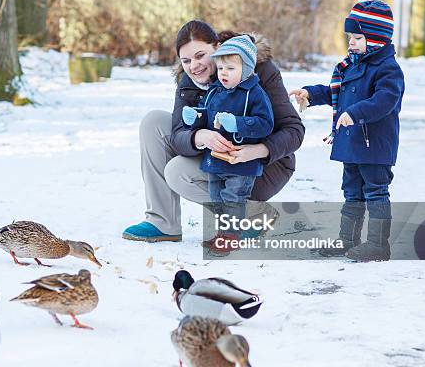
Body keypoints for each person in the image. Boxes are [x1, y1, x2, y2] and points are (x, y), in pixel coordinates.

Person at [123, 20, 304, 243]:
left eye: (200, 56)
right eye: (186, 60)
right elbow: (179, 133)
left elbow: (294, 130)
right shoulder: (189, 80)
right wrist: (199, 136)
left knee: (178, 172)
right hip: (218, 159)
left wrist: (257, 150)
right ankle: (163, 222)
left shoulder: (258, 70)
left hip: (263, 166)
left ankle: (249, 215)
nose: (194, 66)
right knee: (153, 122)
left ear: (217, 47)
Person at [289, 0, 404, 261]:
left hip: (374, 146)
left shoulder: (388, 69)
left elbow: (385, 100)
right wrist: (310, 93)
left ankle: (378, 245)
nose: (351, 42)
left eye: (358, 37)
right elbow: (337, 93)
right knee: (351, 191)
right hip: (352, 143)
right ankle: (347, 240)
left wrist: (355, 113)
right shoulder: (351, 65)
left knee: (375, 191)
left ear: (376, 39)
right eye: (350, 37)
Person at [182, 34, 273, 212]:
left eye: (230, 68)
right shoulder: (215, 89)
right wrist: (195, 116)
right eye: (221, 67)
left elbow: (265, 124)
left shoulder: (254, 93)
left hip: (241, 164)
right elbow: (207, 113)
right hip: (216, 160)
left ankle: (231, 236)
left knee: (233, 199)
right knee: (216, 199)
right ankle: (222, 234)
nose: (223, 72)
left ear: (246, 69)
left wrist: (237, 124)